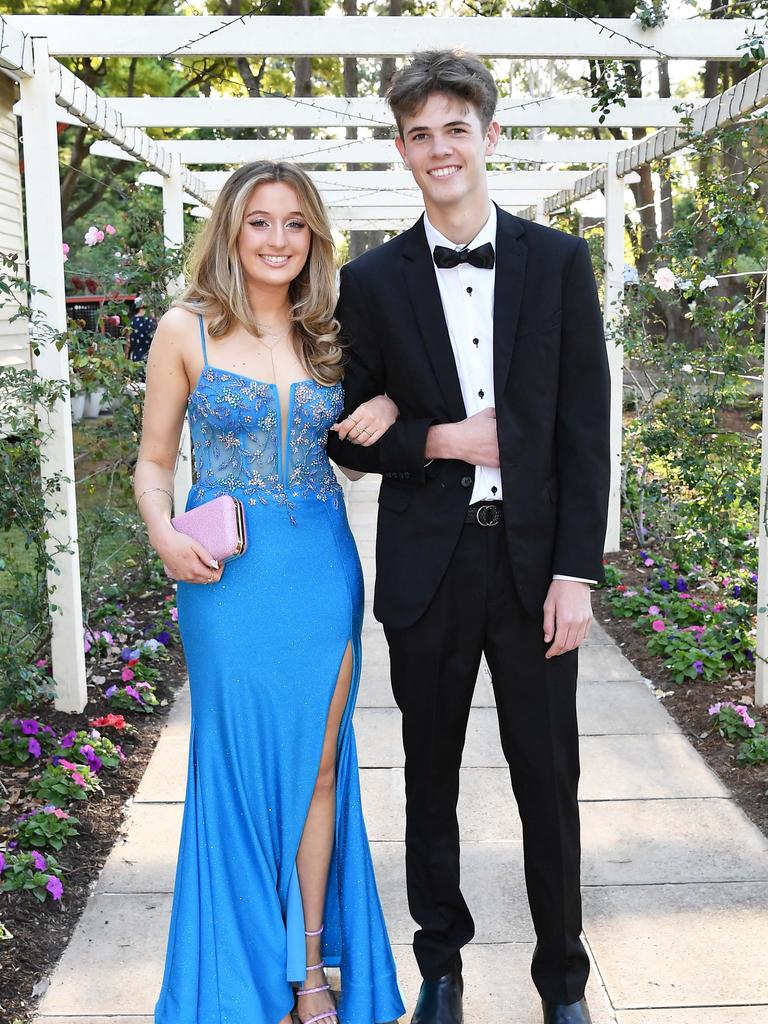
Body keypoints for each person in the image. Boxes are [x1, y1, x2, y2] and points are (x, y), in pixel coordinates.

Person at [326, 50, 611, 1024]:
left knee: (547, 780)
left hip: (536, 569)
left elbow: (585, 429)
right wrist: (441, 435)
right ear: (402, 150)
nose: (439, 148)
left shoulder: (559, 262)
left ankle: (562, 983)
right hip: (429, 566)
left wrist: (578, 568)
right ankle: (439, 969)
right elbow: (345, 428)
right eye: (420, 133)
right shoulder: (369, 282)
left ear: (490, 136)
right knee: (430, 776)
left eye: (457, 128)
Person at [134, 160, 405, 1024]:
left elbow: (406, 398)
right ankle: (237, 976)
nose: (278, 239)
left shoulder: (333, 333)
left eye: (295, 223)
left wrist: (394, 403)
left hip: (320, 569)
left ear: (314, 237)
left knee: (320, 766)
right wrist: (165, 536)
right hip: (226, 582)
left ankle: (314, 967)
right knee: (239, 769)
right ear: (231, 230)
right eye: (260, 221)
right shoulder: (185, 329)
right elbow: (151, 463)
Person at [125, 298, 157, 362]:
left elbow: (128, 344)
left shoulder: (131, 322)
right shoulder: (153, 322)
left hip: (136, 358)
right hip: (152, 358)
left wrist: (125, 358)